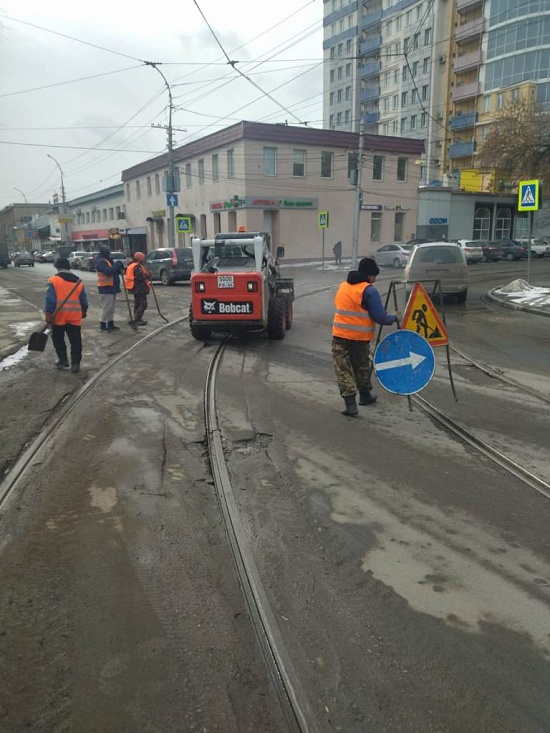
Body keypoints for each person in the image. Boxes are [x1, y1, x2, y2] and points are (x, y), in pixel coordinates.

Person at [332, 257, 401, 416]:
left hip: (339, 335)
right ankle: (364, 396)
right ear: (369, 275)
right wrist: (396, 317)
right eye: (374, 276)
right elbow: (380, 317)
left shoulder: (343, 286)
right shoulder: (368, 290)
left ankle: (350, 404)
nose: (375, 280)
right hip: (359, 338)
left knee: (342, 369)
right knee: (361, 366)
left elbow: (339, 305)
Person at [44, 257, 88, 373]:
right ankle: (75, 364)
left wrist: (48, 314)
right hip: (74, 317)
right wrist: (83, 312)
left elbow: (50, 300)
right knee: (76, 341)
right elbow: (83, 300)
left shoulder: (53, 280)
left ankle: (63, 361)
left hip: (58, 316)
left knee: (58, 339)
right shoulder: (78, 281)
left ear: (57, 267)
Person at [95, 243, 124, 333]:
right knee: (106, 307)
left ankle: (110, 323)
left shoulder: (108, 260)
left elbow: (113, 271)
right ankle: (103, 325)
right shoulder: (101, 261)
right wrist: (116, 266)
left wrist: (118, 268)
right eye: (108, 251)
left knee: (111, 308)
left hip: (112, 287)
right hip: (105, 287)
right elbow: (108, 272)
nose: (110, 253)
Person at [125, 251, 150, 326]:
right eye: (143, 258)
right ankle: (137, 319)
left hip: (134, 287)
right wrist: (148, 276)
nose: (144, 260)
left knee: (137, 303)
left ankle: (136, 318)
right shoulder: (136, 267)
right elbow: (140, 277)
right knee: (143, 303)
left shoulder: (132, 265)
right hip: (138, 288)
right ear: (139, 259)